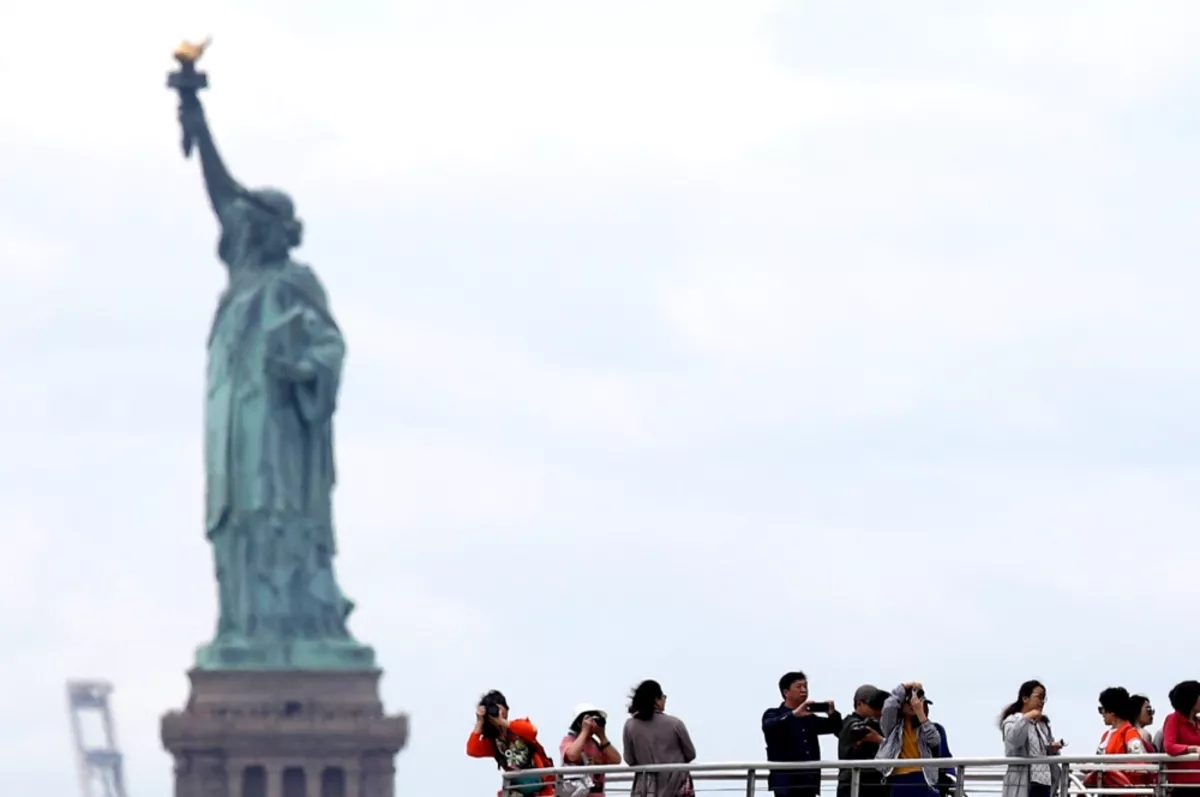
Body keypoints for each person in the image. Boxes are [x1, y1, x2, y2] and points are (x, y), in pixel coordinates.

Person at [763, 670, 843, 797]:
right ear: (786, 692)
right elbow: (770, 726)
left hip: (809, 782)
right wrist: (794, 714)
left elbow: (836, 728)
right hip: (786, 784)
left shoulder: (809, 717)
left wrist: (833, 714)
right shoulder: (773, 713)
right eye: (798, 686)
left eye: (805, 686)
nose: (804, 690)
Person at [467, 690, 555, 797]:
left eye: (498, 708)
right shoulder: (493, 742)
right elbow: (472, 750)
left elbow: (532, 731)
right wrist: (480, 722)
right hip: (516, 788)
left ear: (506, 709)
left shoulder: (517, 727)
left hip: (539, 781)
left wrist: (502, 722)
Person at [622, 680, 697, 797]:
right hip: (675, 786)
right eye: (663, 697)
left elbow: (629, 759)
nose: (664, 700)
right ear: (656, 700)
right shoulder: (675, 724)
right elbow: (691, 754)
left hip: (646, 788)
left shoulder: (630, 725)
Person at [876, 681, 942, 797]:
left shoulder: (925, 726)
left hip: (923, 777)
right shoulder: (893, 726)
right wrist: (903, 687)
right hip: (899, 778)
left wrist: (920, 713)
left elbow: (934, 741)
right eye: (909, 702)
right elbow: (889, 706)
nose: (913, 705)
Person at [999, 680, 1062, 797]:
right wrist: (1027, 717)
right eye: (1039, 697)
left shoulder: (1042, 724)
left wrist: (1052, 748)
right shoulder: (1012, 721)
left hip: (1044, 781)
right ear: (1025, 698)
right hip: (1023, 781)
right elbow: (1014, 741)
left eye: (1044, 699)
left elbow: (1045, 750)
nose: (1042, 702)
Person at [1085, 687, 1149, 791]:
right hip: (1105, 789)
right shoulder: (1106, 735)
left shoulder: (1130, 733)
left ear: (1112, 711)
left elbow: (1140, 764)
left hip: (1123, 790)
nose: (1102, 714)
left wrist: (1113, 770)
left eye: (1102, 709)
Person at [837, 685, 889, 797]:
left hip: (874, 785)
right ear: (859, 704)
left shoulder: (880, 725)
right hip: (854, 784)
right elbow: (856, 729)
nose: (877, 709)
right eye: (872, 704)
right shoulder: (849, 723)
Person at [560, 702, 622, 795]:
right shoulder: (569, 740)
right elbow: (572, 756)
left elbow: (616, 760)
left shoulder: (596, 744)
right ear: (578, 722)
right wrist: (585, 731)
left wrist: (602, 736)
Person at [1162, 680, 1200, 788]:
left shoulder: (1197, 722)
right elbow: (1169, 746)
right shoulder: (1173, 719)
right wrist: (1193, 749)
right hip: (1184, 784)